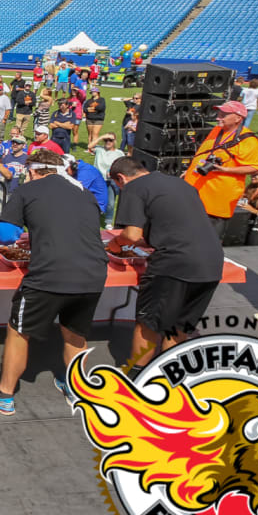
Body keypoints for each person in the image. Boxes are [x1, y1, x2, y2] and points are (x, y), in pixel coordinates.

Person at [0, 151, 107, 415]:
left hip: (50, 274)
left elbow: (4, 235)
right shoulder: (84, 192)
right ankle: (76, 391)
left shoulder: (28, 189)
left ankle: (4, 394)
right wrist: (37, 233)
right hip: (92, 274)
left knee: (19, 331)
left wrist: (28, 231)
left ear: (33, 171)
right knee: (75, 334)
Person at [107, 156, 223, 368]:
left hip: (174, 264)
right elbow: (176, 223)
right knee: (178, 327)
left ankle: (136, 377)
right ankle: (165, 377)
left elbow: (131, 235)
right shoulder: (180, 183)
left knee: (148, 323)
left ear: (121, 179)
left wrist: (114, 244)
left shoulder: (134, 188)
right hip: (211, 262)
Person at [183, 101, 258, 238]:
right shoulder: (217, 131)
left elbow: (256, 167)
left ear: (238, 118)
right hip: (195, 194)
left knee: (207, 241)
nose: (218, 117)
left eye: (224, 115)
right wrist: (191, 169)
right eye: (219, 113)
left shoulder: (248, 140)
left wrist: (224, 170)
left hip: (216, 202)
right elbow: (205, 154)